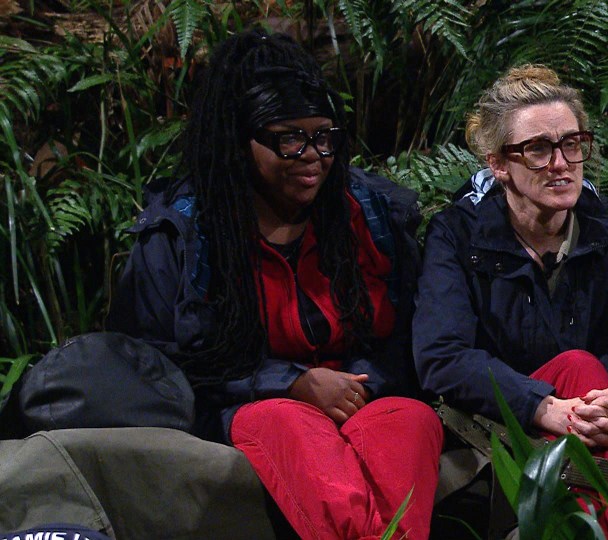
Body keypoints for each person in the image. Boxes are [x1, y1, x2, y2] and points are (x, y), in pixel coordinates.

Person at [108, 28, 442, 540]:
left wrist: (358, 382)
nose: (313, 156)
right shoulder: (185, 232)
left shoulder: (370, 215)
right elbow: (153, 362)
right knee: (290, 424)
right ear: (242, 143)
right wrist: (288, 382)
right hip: (247, 410)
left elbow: (415, 334)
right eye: (289, 138)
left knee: (411, 420)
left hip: (367, 397)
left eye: (324, 136)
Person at [413, 64, 608, 540]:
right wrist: (543, 405)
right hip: (500, 419)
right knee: (575, 363)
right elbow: (442, 358)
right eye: (537, 149)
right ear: (498, 164)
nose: (560, 163)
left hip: (589, 420)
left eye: (571, 144)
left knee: (584, 370)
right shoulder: (457, 235)